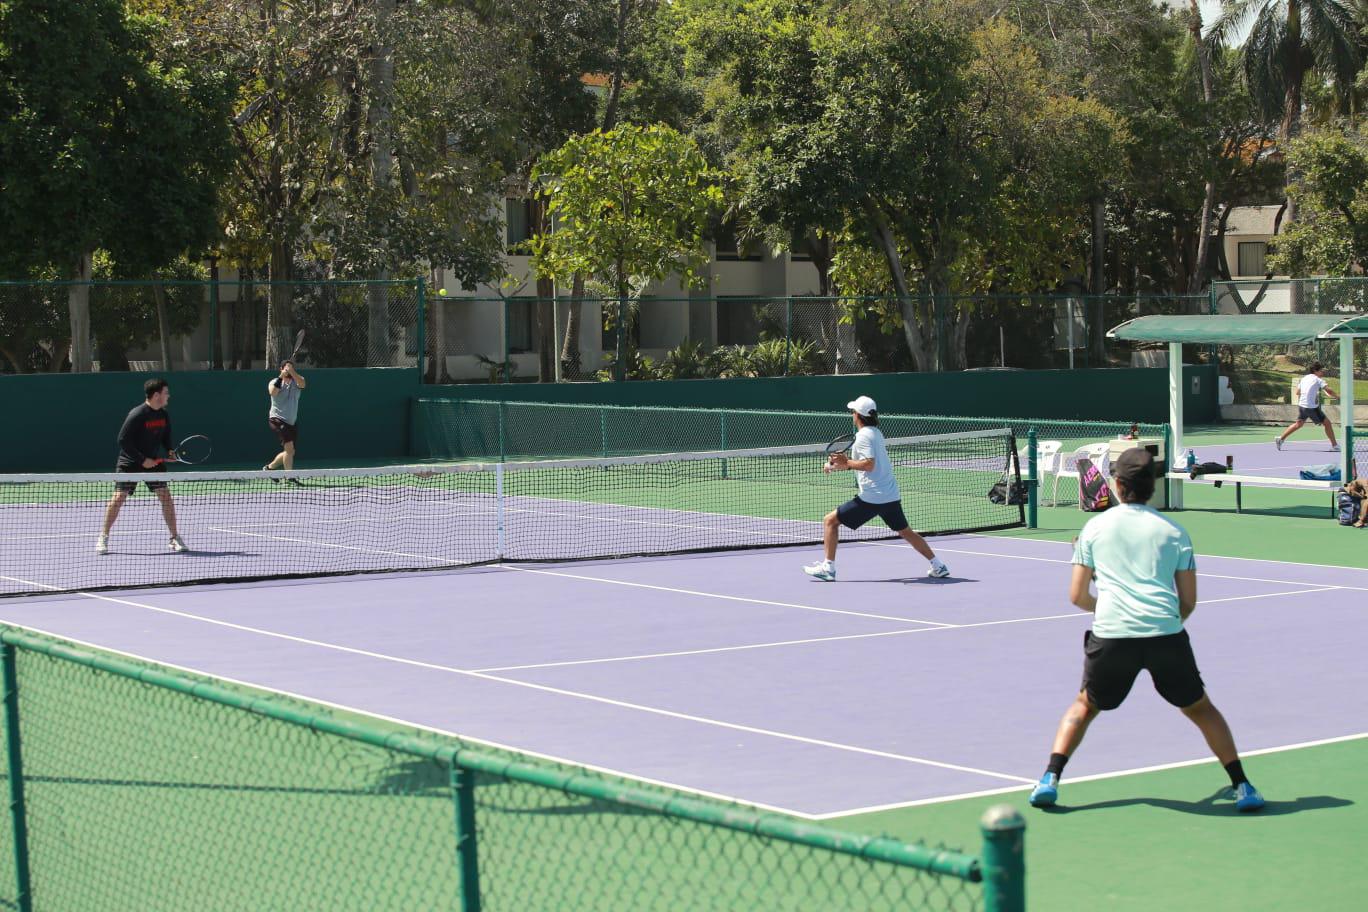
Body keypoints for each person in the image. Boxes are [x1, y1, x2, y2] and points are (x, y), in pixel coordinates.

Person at [1027, 447, 1264, 813]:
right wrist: (1161, 624)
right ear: (1152, 487)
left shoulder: (1093, 528)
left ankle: (1049, 779)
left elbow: (1077, 596)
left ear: (1117, 485)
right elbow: (1187, 602)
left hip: (1111, 636)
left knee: (1085, 706)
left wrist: (1110, 611)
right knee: (1201, 709)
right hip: (1166, 635)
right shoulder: (1175, 532)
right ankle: (1243, 786)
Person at [802, 396, 950, 582]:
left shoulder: (863, 436)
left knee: (830, 521)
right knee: (905, 531)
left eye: (853, 412)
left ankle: (828, 568)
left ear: (858, 415)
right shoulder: (875, 433)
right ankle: (938, 565)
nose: (852, 414)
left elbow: (868, 464)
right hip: (890, 495)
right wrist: (837, 465)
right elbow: (864, 463)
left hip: (873, 497)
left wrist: (846, 464)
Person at [97, 378, 188, 555]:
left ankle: (174, 538)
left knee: (166, 498)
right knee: (118, 499)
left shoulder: (163, 414)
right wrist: (141, 459)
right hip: (130, 462)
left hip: (153, 462)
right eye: (166, 393)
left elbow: (165, 436)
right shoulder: (137, 414)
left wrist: (169, 451)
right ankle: (103, 537)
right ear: (156, 395)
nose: (168, 396)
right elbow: (123, 440)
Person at [1275, 361, 1339, 451]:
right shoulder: (1318, 380)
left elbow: (1298, 392)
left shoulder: (1304, 378)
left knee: (1298, 424)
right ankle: (1335, 446)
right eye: (1321, 370)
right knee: (1327, 423)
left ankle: (1280, 439)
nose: (1322, 372)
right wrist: (1338, 397)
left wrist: (1312, 392)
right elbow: (1329, 391)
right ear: (1315, 371)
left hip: (1302, 406)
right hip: (1311, 407)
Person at [264, 359, 307, 479]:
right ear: (281, 369)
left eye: (291, 367)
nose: (289, 369)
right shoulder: (274, 381)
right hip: (277, 420)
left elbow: (303, 384)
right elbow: (273, 392)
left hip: (291, 422)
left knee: (290, 451)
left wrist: (292, 371)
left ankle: (269, 468)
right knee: (289, 448)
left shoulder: (298, 381)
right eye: (287, 368)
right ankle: (289, 477)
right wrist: (281, 376)